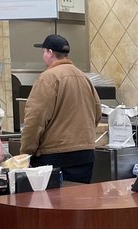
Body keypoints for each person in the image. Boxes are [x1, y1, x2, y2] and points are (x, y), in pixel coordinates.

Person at [20, 34, 101, 183]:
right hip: (85, 155)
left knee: (55, 198)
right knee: (80, 196)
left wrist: (26, 152)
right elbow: (97, 113)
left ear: (50, 52)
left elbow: (35, 118)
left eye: (44, 51)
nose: (43, 55)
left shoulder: (48, 78)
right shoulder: (84, 78)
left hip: (55, 156)